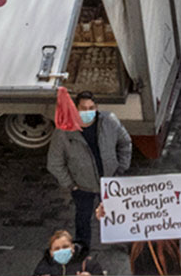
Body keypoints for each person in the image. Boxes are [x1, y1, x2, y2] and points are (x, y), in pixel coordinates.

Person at [48, 88, 134, 246]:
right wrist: (70, 184)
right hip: (82, 187)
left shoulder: (110, 121)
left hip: (110, 183)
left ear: (96, 107)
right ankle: (82, 246)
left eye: (91, 108)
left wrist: (121, 168)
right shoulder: (63, 132)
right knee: (83, 217)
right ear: (76, 108)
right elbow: (54, 163)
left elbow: (125, 143)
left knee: (116, 214)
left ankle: (121, 241)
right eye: (83, 108)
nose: (88, 112)